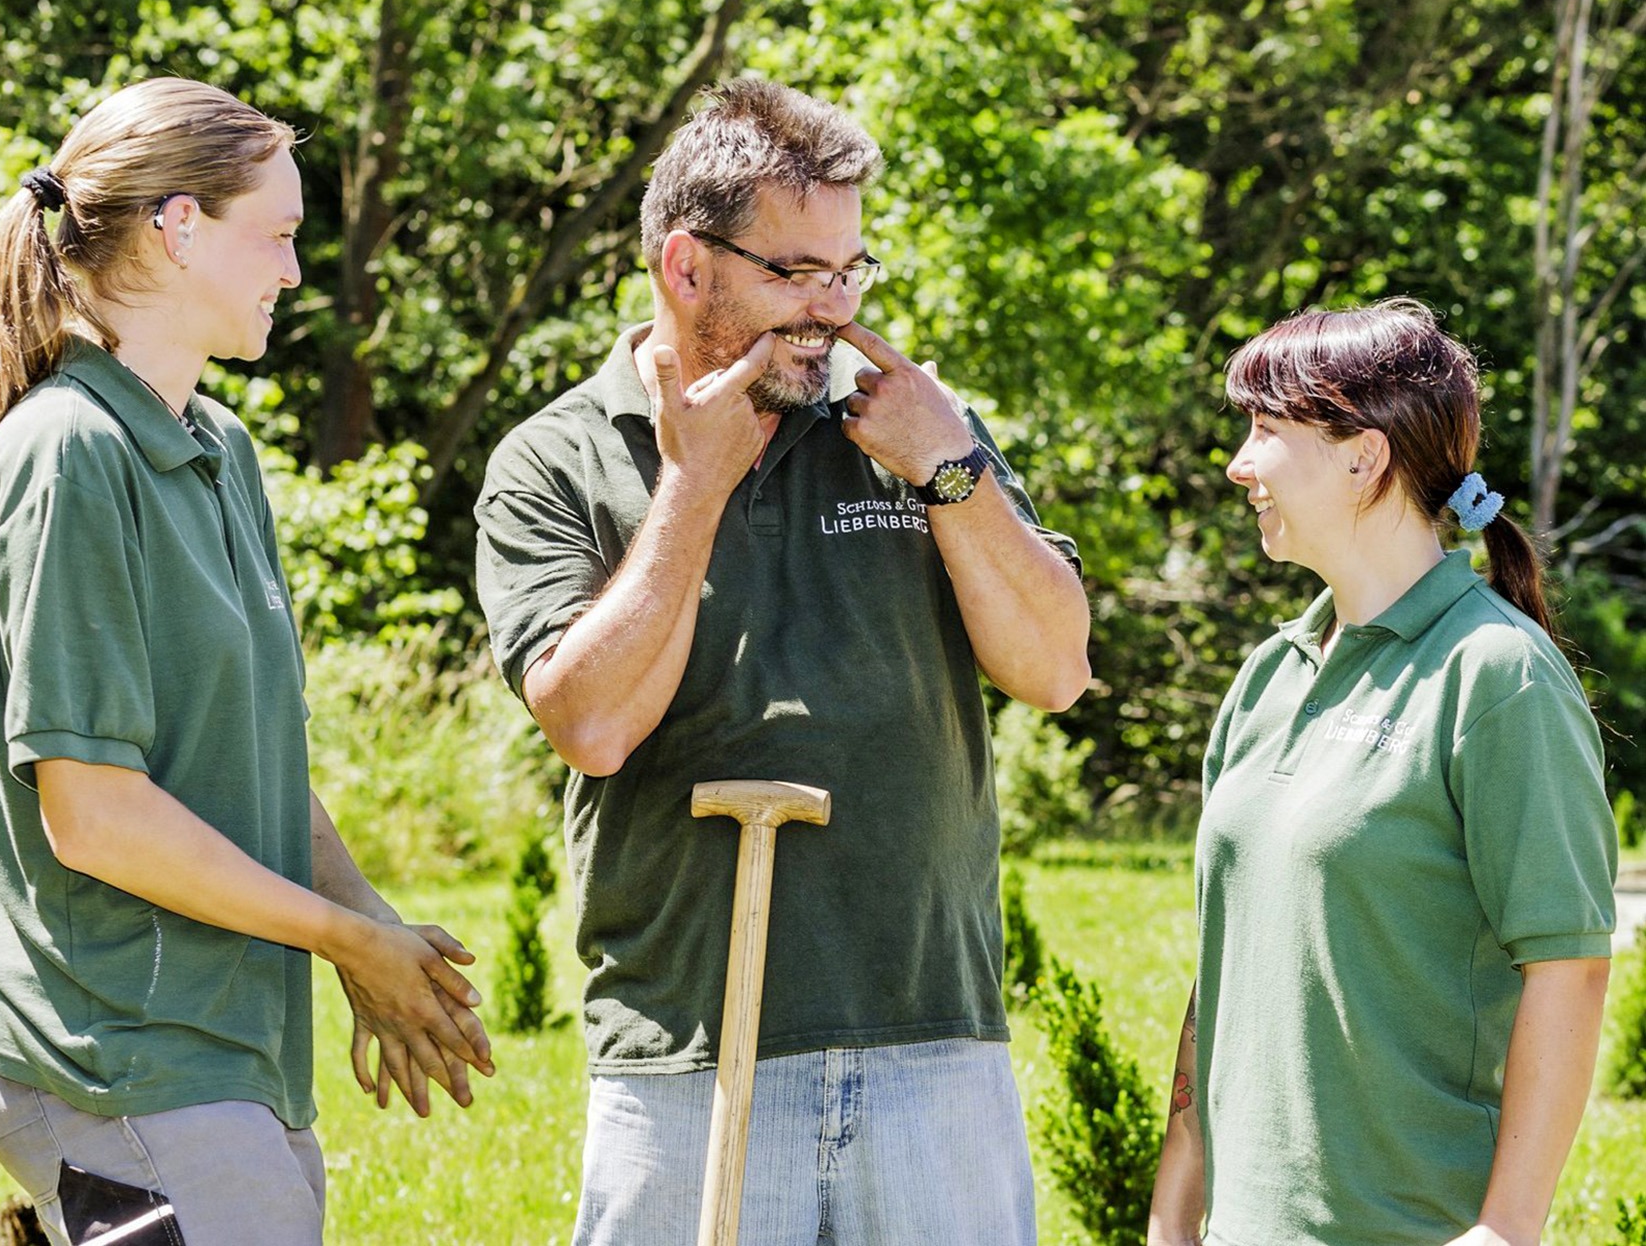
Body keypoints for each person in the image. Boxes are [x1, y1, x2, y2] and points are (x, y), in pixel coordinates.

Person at [473, 77, 1091, 1244]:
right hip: (687, 1049)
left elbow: (1054, 667)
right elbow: (593, 723)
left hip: (931, 1038)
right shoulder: (557, 461)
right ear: (685, 266)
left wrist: (949, 470)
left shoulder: (913, 426)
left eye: (850, 272)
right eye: (796, 273)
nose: (830, 307)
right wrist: (694, 482)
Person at [0, 77, 492, 1246]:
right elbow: (94, 818)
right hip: (114, 1060)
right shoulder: (69, 453)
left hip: (221, 1060)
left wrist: (370, 926)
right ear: (178, 227)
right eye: (277, 236)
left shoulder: (214, 446)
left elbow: (248, 757)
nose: (294, 272)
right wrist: (344, 941)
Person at [1147, 300, 1618, 1246]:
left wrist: (1507, 1229)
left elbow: (1568, 966)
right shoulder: (1270, 672)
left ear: (1364, 458)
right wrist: (1175, 1209)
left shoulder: (1498, 675)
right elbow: (1221, 957)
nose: (1239, 464)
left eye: (1266, 431)